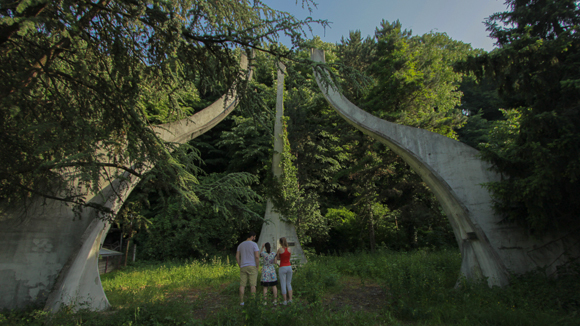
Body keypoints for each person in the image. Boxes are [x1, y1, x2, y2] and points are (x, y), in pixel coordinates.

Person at [236, 231, 260, 306]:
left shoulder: (240, 245)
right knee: (253, 285)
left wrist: (240, 264)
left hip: (243, 266)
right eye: (255, 237)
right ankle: (252, 302)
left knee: (242, 285)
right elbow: (256, 256)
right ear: (252, 236)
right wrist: (257, 266)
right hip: (252, 266)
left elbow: (237, 257)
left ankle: (241, 301)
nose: (255, 238)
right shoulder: (254, 245)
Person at [276, 237, 293, 305]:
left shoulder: (279, 250)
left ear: (280, 243)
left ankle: (285, 300)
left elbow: (277, 258)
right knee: (288, 283)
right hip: (289, 266)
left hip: (282, 266)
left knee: (283, 284)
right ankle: (290, 299)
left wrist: (280, 257)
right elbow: (289, 257)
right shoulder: (289, 249)